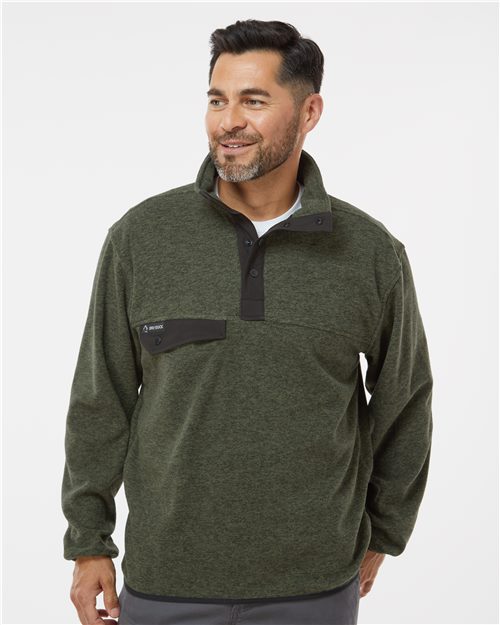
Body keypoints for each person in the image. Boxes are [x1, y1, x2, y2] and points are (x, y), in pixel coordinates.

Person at [61, 18, 434, 625]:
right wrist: (87, 541)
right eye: (217, 100)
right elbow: (101, 398)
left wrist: (386, 532)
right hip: (165, 578)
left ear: (309, 112)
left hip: (315, 584)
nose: (227, 121)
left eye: (253, 101)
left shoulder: (370, 254)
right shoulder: (142, 238)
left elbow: (405, 402)